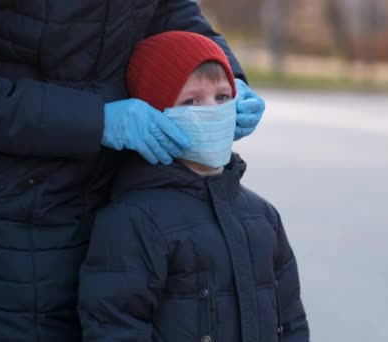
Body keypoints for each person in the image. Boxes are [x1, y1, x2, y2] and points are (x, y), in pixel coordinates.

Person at [0, 1, 265, 341]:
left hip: (126, 194)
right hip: (19, 222)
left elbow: (173, 11)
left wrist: (228, 76)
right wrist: (97, 121)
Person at [78, 31, 309, 342]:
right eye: (192, 101)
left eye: (223, 97)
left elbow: (291, 321)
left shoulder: (263, 217)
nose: (212, 110)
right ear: (156, 115)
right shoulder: (133, 220)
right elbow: (116, 328)